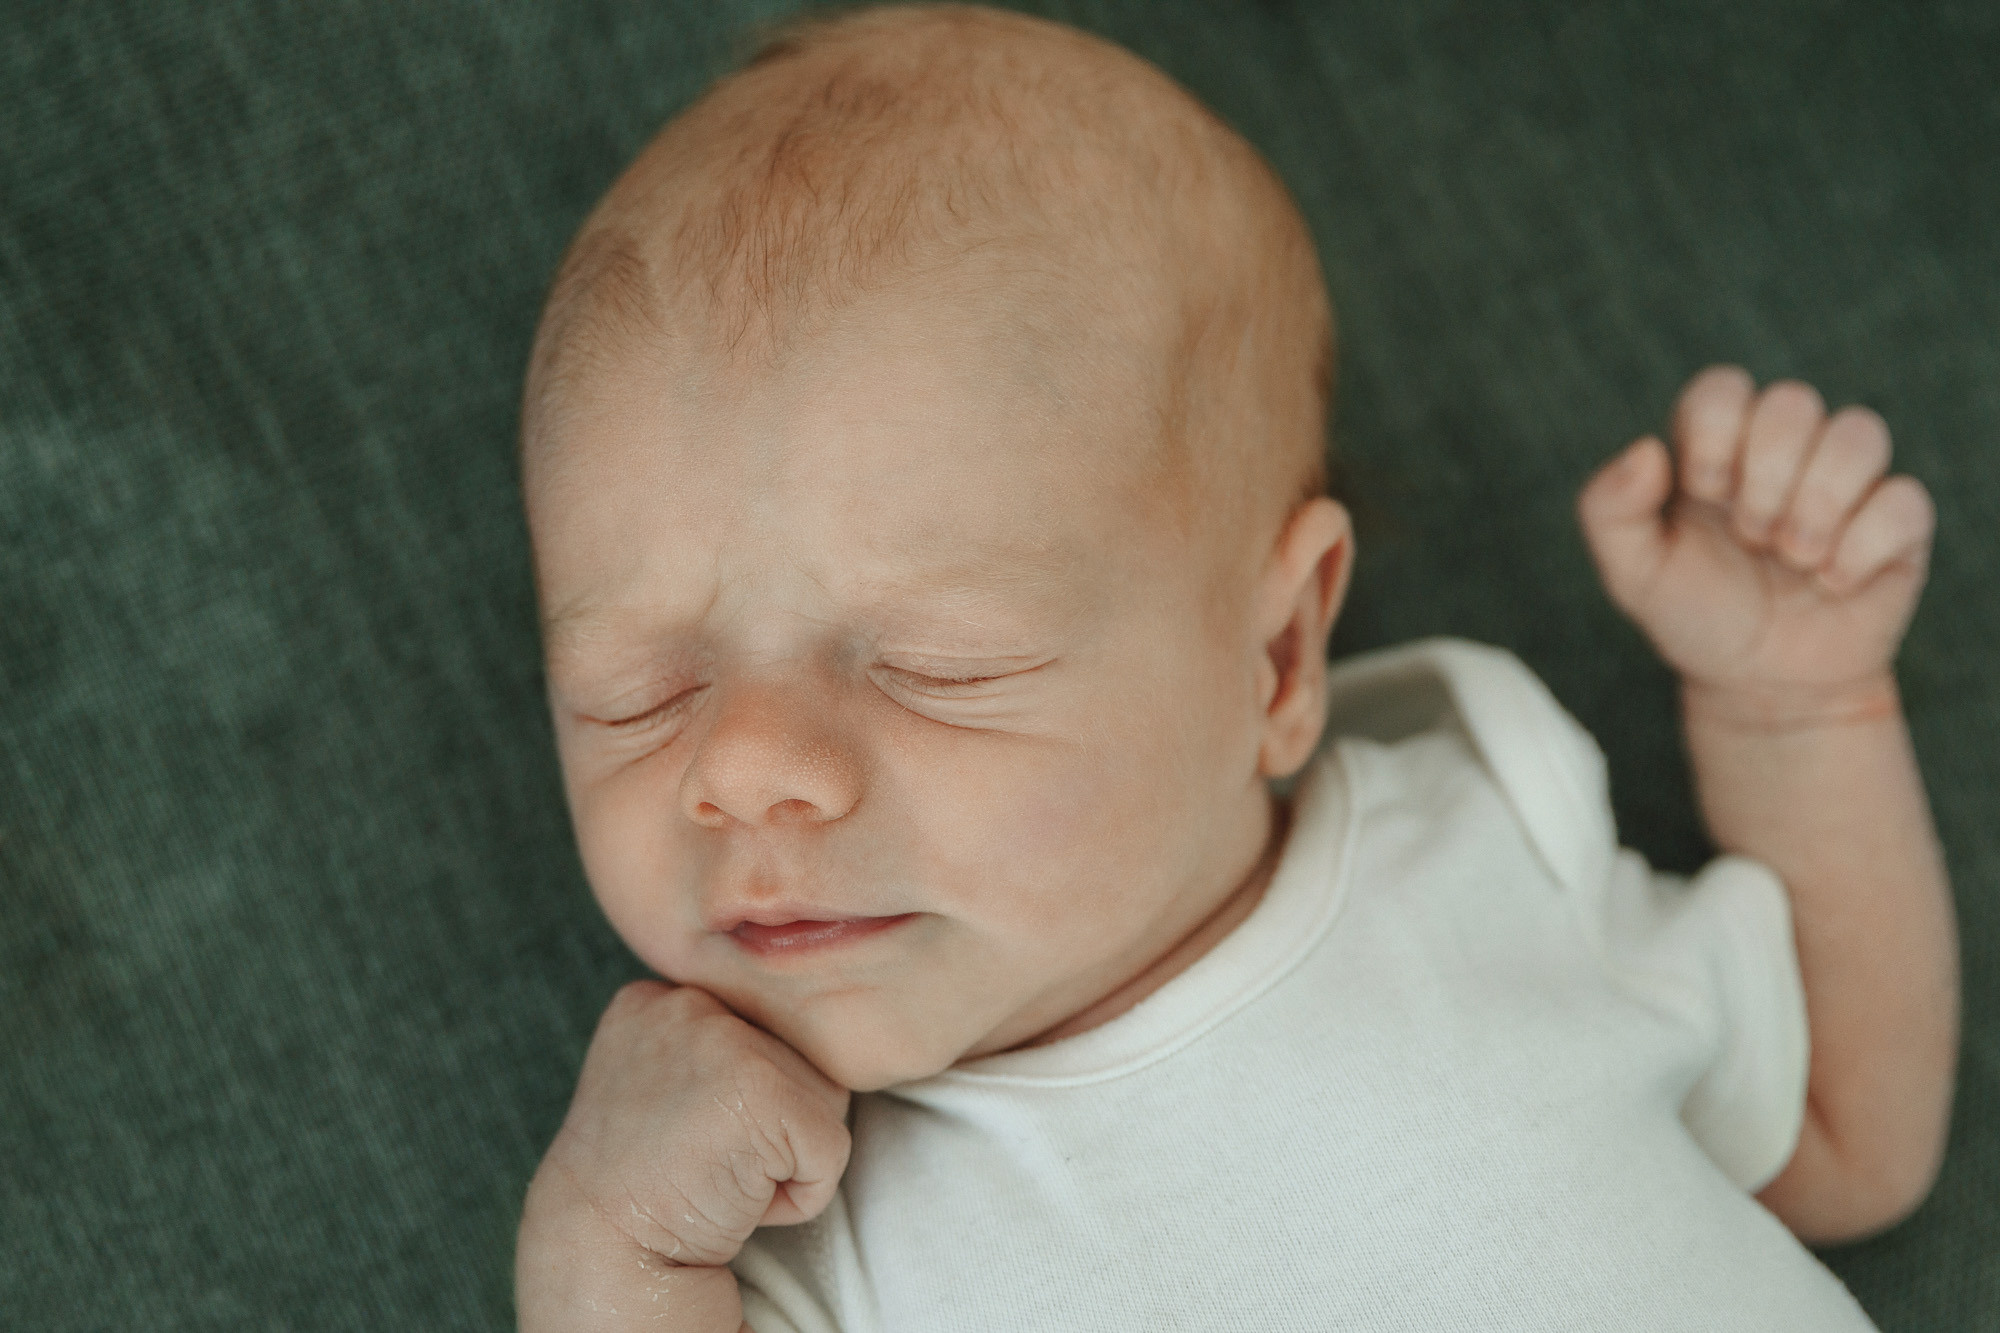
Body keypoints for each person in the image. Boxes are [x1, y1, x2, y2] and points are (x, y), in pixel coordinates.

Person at [510, 5, 1958, 1329]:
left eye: (934, 666)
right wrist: (611, 1249)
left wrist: (1799, 707)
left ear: (1273, 657)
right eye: (634, 691)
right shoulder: (780, 1218)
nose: (742, 768)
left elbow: (1847, 1133)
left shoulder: (1472, 842)